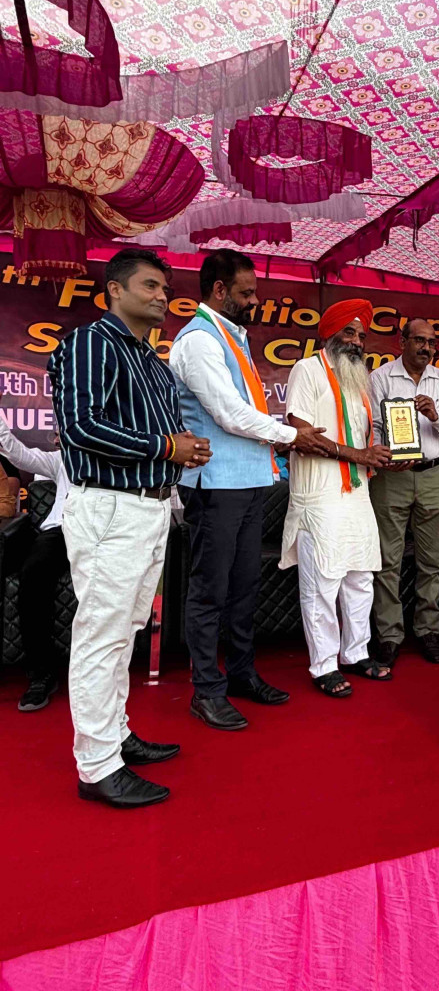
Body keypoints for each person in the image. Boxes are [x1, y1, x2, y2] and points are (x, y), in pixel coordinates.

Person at [49, 249, 212, 809]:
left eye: (166, 288)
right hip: (110, 507)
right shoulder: (91, 343)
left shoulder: (151, 360)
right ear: (114, 290)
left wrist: (183, 450)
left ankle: (115, 735)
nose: (162, 295)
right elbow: (80, 427)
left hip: (149, 507)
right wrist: (167, 447)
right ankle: (97, 767)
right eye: (150, 285)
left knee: (125, 632)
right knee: (103, 635)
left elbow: (160, 437)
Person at [169, 249, 328, 731]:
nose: (255, 301)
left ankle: (240, 674)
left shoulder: (232, 337)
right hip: (216, 485)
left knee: (244, 588)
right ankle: (206, 690)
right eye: (246, 293)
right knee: (210, 591)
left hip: (251, 481)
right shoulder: (199, 340)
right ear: (219, 291)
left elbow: (244, 413)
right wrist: (292, 435)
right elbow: (228, 414)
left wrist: (282, 438)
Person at [281, 300, 393, 696]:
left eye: (362, 335)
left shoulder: (357, 381)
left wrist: (387, 457)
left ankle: (356, 652)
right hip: (320, 495)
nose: (358, 341)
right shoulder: (306, 370)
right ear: (329, 333)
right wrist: (359, 455)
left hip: (357, 494)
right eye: (349, 332)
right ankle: (324, 665)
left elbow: (364, 442)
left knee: (361, 577)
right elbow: (301, 435)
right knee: (322, 583)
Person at [369, 318, 439, 667]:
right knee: (387, 560)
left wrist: (435, 416)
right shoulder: (381, 377)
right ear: (402, 342)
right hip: (392, 477)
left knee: (432, 560)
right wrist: (386, 452)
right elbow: (372, 426)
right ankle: (389, 635)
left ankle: (427, 630)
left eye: (432, 342)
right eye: (420, 340)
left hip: (434, 476)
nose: (427, 348)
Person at [0, 410, 71, 710]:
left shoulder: (112, 458)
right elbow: (18, 453)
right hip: (58, 531)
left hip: (97, 532)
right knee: (31, 569)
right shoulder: (60, 461)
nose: (58, 438)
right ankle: (40, 674)